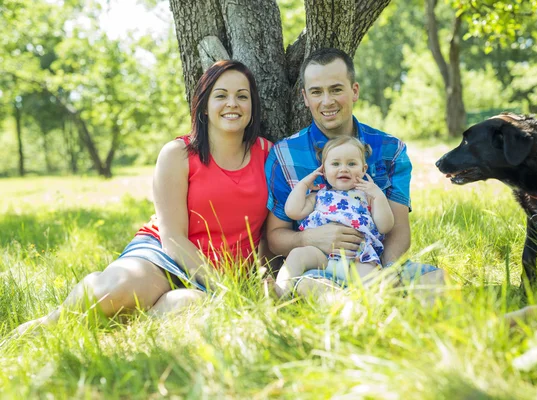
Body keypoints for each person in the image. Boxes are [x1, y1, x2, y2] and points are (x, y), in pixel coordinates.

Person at [16, 60, 272, 334]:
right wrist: (222, 286)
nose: (232, 103)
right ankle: (51, 323)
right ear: (204, 106)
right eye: (221, 95)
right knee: (118, 289)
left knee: (189, 306)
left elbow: (271, 231)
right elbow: (172, 238)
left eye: (242, 96)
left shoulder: (269, 155)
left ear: (252, 106)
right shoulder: (178, 154)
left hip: (228, 270)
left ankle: (130, 325)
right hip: (165, 257)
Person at [265, 47, 446, 297]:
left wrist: (385, 272)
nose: (327, 101)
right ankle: (362, 314)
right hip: (318, 267)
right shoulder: (284, 155)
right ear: (305, 97)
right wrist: (308, 239)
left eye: (336, 89)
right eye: (317, 92)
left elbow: (398, 228)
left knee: (434, 279)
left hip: (373, 264)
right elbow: (275, 236)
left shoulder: (390, 149)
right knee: (314, 287)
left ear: (355, 91)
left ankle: (395, 313)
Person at [274, 136, 394, 298]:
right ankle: (280, 291)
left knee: (371, 276)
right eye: (336, 164)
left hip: (358, 256)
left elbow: (385, 226)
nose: (343, 169)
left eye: (351, 164)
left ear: (364, 169)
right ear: (323, 170)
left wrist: (379, 196)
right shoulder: (318, 195)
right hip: (321, 254)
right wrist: (303, 185)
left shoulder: (368, 196)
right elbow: (293, 211)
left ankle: (369, 304)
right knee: (297, 255)